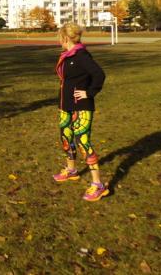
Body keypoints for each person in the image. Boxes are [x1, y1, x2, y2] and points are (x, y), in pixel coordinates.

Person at [53, 23, 107, 202]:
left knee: (83, 141)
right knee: (66, 138)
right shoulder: (68, 55)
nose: (59, 41)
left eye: (60, 37)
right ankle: (71, 170)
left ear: (65, 38)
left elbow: (99, 74)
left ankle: (98, 184)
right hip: (65, 105)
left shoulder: (81, 55)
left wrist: (89, 92)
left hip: (81, 106)